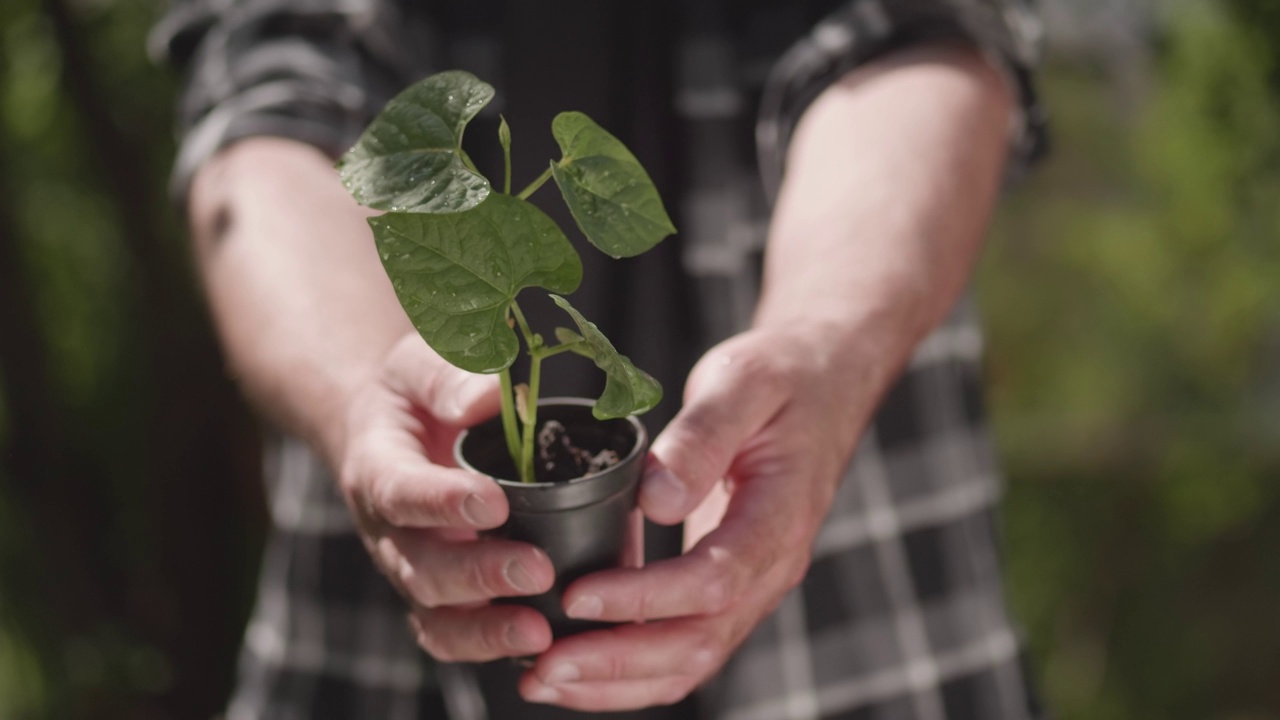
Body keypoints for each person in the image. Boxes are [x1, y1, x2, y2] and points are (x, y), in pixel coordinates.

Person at [151, 0, 1049, 717]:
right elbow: (267, 93)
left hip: (871, 611)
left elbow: (921, 31)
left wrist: (823, 343)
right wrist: (359, 397)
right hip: (382, 640)